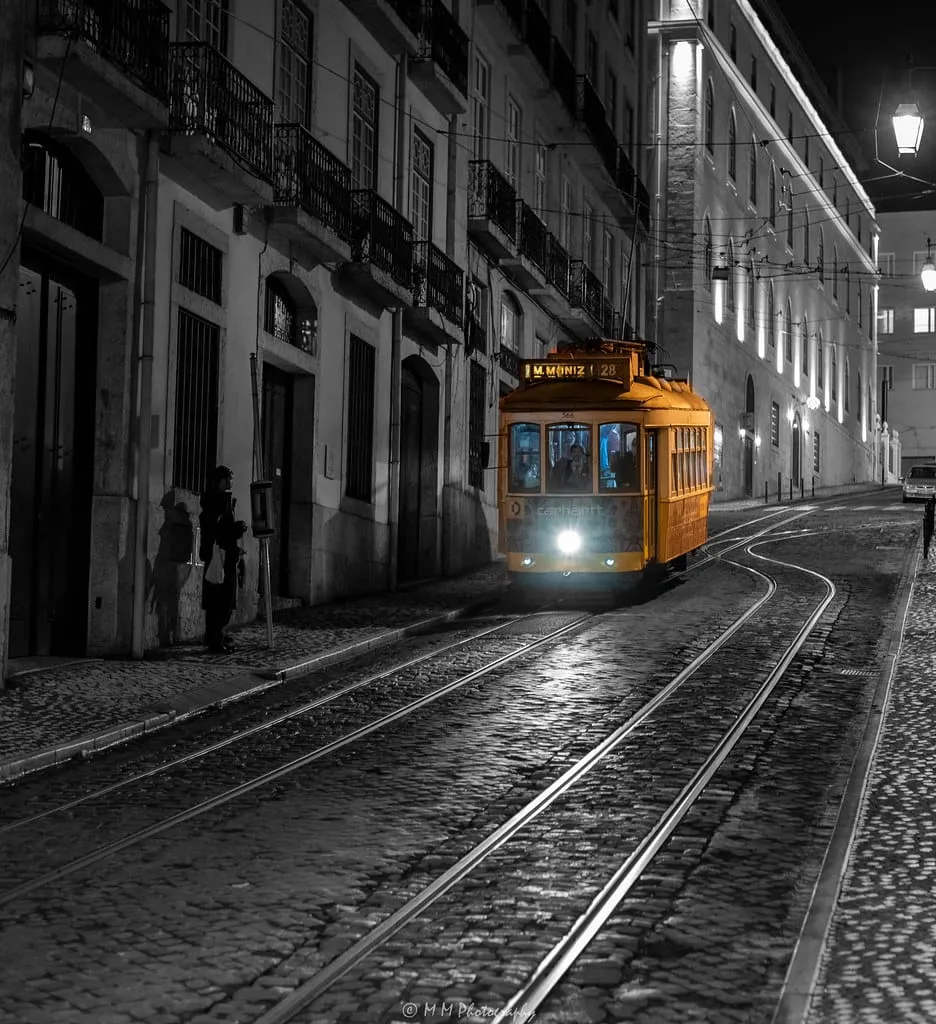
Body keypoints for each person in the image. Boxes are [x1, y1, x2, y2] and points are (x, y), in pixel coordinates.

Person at [199, 465, 247, 653]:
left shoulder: (220, 501)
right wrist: (237, 529)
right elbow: (219, 530)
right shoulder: (214, 503)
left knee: (221, 600)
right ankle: (215, 639)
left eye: (230, 479)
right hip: (220, 556)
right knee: (220, 600)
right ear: (217, 481)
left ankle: (216, 635)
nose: (229, 482)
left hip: (223, 555)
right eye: (225, 479)